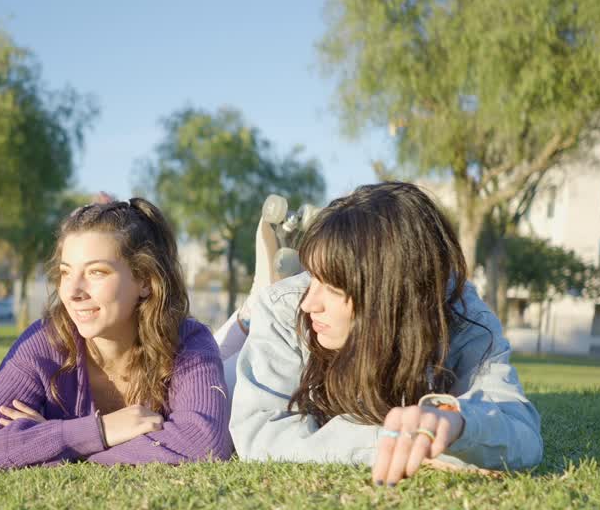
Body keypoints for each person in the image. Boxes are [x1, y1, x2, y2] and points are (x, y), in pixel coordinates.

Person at [229, 182, 542, 484]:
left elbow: (520, 431)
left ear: (393, 296)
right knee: (217, 365)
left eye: (334, 288)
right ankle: (243, 316)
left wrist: (457, 424)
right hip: (240, 357)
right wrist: (389, 440)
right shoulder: (286, 307)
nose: (310, 302)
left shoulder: (461, 316)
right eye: (312, 278)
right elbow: (259, 435)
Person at [0, 197, 233, 467]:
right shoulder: (45, 342)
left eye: (96, 272)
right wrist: (99, 431)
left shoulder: (187, 341)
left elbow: (202, 444)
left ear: (145, 281)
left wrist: (60, 447)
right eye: (66, 273)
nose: (73, 292)